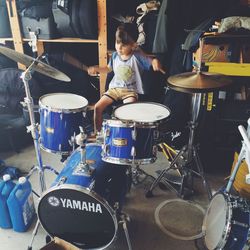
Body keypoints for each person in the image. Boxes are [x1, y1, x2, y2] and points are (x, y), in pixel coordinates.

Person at [88, 23, 165, 133]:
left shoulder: (137, 55)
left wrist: (155, 61)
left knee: (128, 112)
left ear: (133, 45)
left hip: (130, 91)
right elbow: (108, 69)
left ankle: (127, 136)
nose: (119, 47)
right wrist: (97, 69)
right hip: (114, 89)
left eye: (123, 45)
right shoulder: (115, 55)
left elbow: (149, 60)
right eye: (117, 42)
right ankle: (98, 133)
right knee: (97, 108)